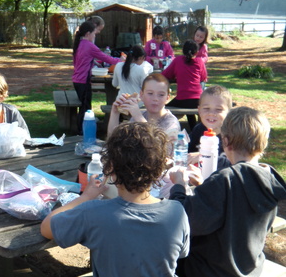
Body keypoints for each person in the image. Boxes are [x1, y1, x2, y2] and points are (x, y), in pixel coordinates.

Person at [41, 122, 190, 276]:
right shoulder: (177, 212)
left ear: (110, 167)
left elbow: (46, 228)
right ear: (160, 170)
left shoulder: (93, 213)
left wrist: (86, 196)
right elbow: (181, 253)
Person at [169, 106, 286, 277]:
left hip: (211, 270)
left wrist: (178, 186)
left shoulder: (226, 180)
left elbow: (185, 221)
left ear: (226, 141)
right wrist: (205, 186)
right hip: (248, 268)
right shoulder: (268, 179)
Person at [108, 73, 180, 151]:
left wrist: (138, 117)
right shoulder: (140, 116)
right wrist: (115, 113)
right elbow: (113, 141)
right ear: (141, 95)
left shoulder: (171, 122)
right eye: (150, 93)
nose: (155, 98)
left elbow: (161, 151)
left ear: (167, 98)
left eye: (161, 95)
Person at [72, 20, 121, 134]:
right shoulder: (89, 45)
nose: (95, 36)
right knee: (85, 108)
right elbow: (107, 58)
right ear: (88, 34)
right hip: (83, 80)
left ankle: (83, 128)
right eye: (94, 33)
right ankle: (81, 131)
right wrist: (122, 61)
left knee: (85, 106)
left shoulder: (79, 43)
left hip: (78, 79)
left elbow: (83, 60)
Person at [162, 39, 207, 130]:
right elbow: (203, 78)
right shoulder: (200, 62)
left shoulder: (178, 60)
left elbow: (165, 74)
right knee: (190, 109)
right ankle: (194, 130)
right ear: (197, 52)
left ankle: (169, 128)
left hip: (182, 99)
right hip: (198, 99)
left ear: (183, 50)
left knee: (164, 109)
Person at [187, 85, 232, 171]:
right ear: (199, 110)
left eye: (218, 109)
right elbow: (188, 153)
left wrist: (203, 156)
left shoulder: (232, 135)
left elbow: (236, 164)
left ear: (228, 112)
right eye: (206, 108)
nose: (211, 113)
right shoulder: (198, 130)